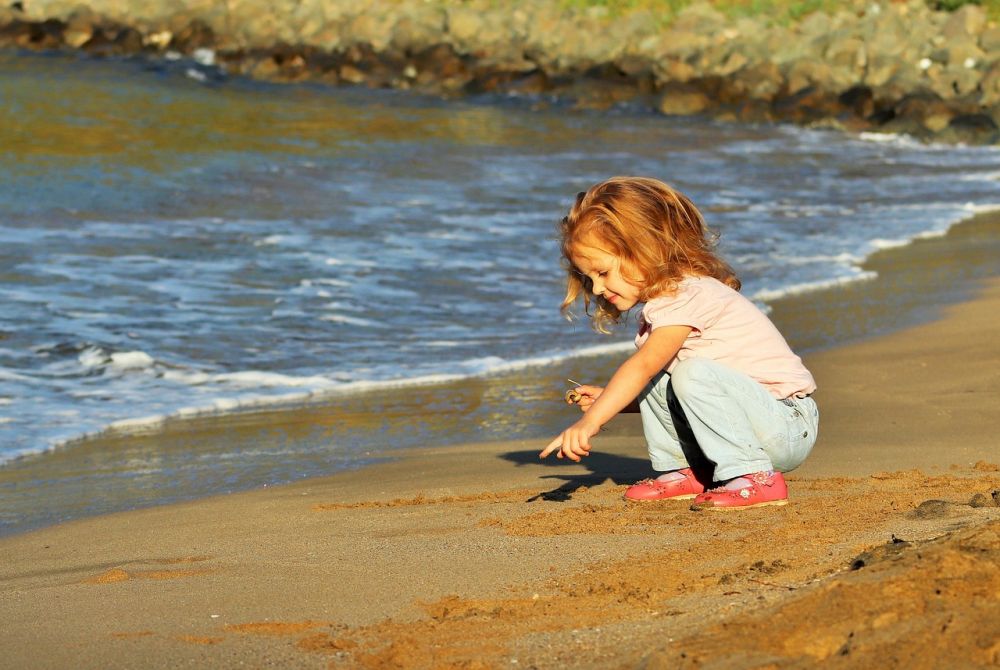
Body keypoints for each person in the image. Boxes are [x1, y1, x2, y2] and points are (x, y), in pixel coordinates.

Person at [539, 176, 818, 510]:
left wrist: (591, 421)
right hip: (750, 423)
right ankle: (684, 471)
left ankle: (758, 478)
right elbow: (672, 389)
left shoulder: (688, 294)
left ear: (646, 250)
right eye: (589, 279)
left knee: (680, 370)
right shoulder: (665, 304)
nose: (597, 289)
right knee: (664, 374)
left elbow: (643, 368)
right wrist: (615, 401)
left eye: (603, 273)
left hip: (786, 424)